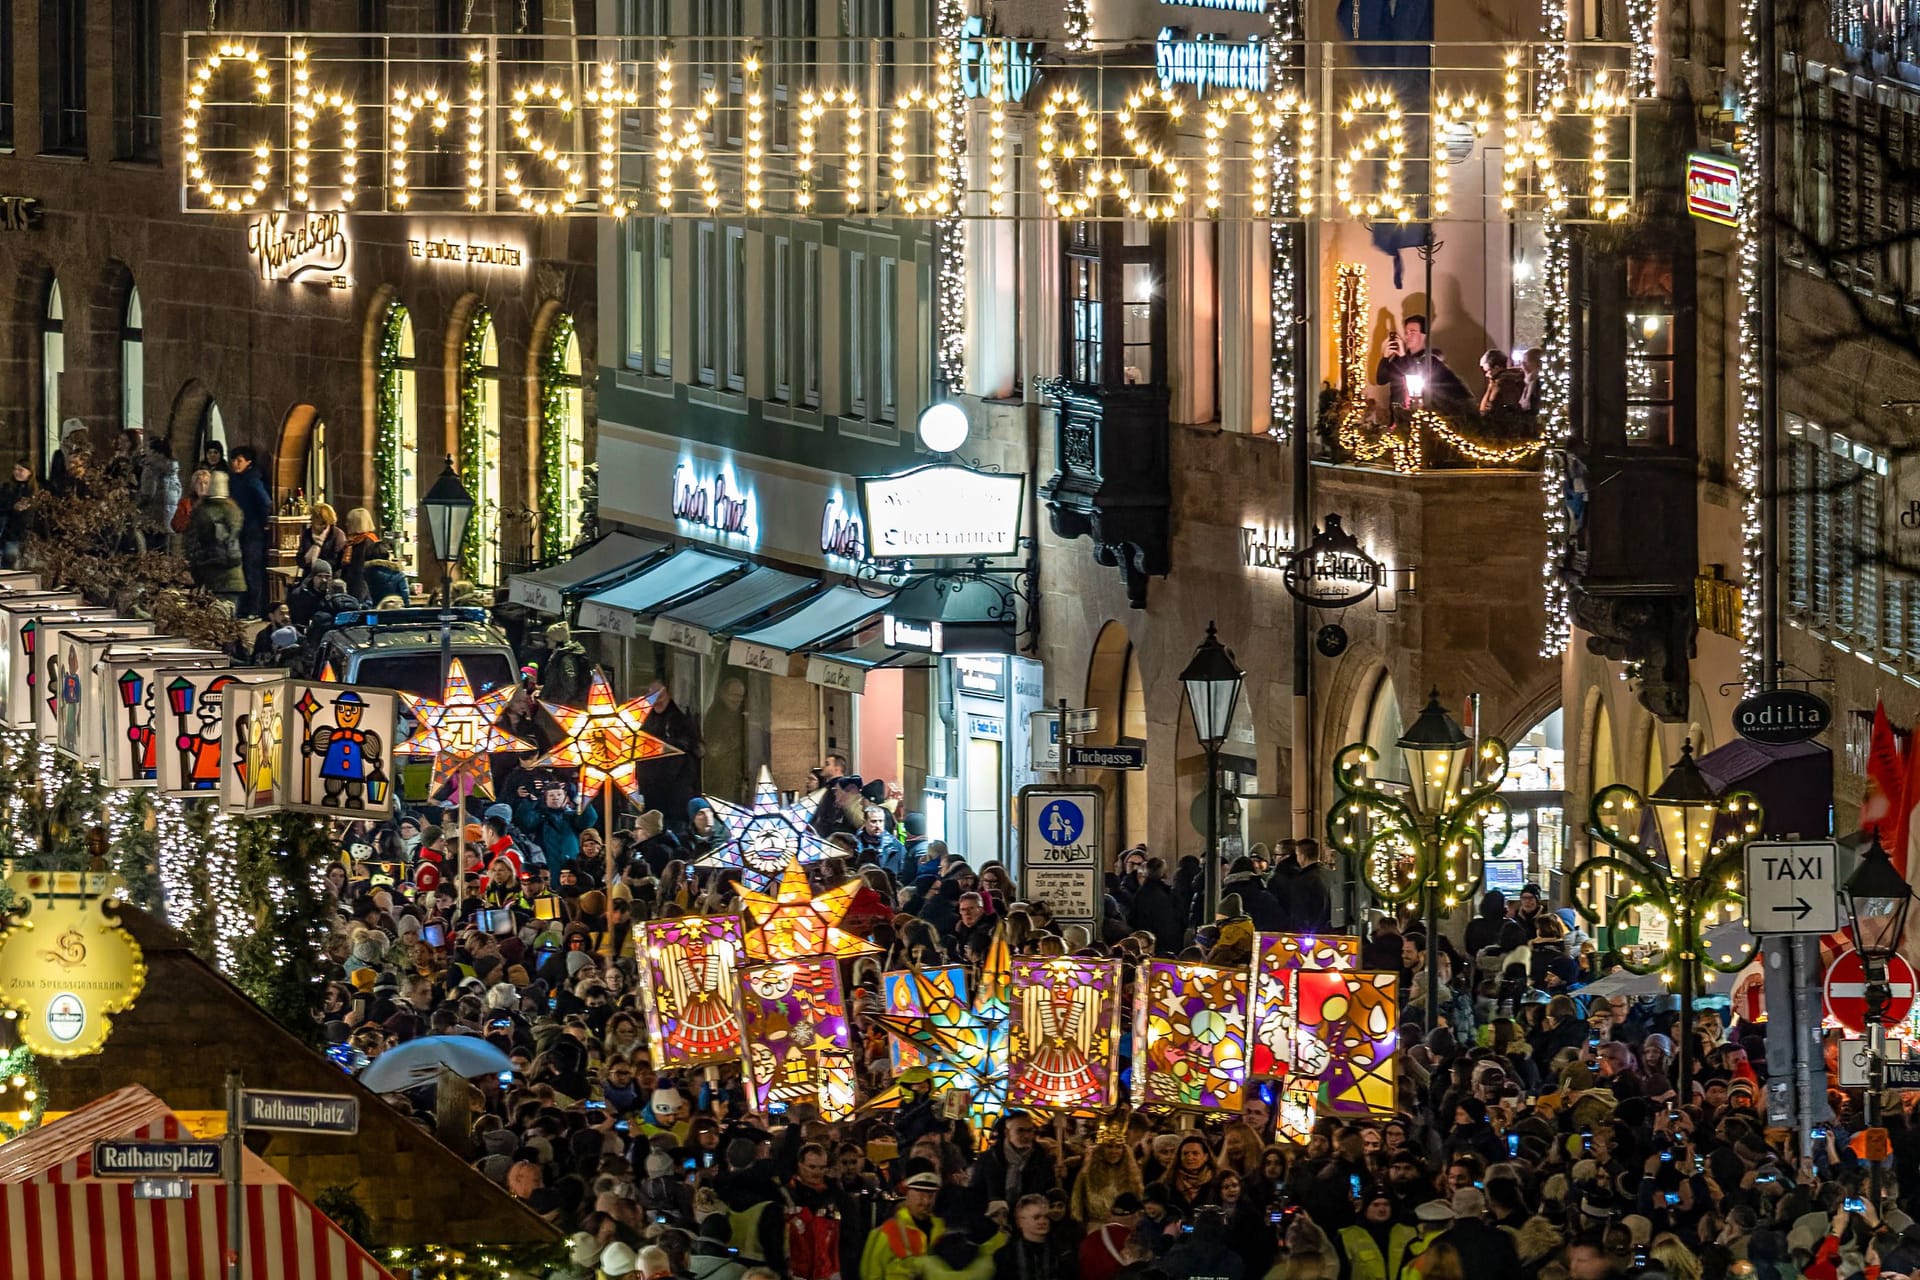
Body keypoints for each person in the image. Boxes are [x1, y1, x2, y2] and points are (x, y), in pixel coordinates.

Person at [862, 1166, 945, 1280]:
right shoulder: (886, 1232)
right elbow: (871, 1275)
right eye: (921, 1195)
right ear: (908, 1194)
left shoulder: (942, 1231)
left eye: (930, 1196)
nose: (926, 1201)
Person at [1374, 316, 1470, 411]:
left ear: (1424, 335)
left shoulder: (1430, 360)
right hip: (1398, 413)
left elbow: (1413, 372)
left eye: (1413, 332)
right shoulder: (1399, 359)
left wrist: (1403, 355)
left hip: (1421, 414)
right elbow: (1381, 380)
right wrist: (1385, 358)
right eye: (1406, 332)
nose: (1408, 336)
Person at [184, 470, 247, 609]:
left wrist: (194, 571)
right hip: (235, 574)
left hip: (211, 573)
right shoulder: (234, 510)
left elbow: (192, 543)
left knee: (214, 619)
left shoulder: (202, 510)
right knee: (230, 616)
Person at [227, 445, 274, 618]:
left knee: (252, 569)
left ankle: (254, 608)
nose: (235, 464)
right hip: (239, 530)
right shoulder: (234, 479)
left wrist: (263, 523)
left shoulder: (252, 480)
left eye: (239, 460)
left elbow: (265, 502)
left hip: (252, 532)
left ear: (249, 462)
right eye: (233, 460)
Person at [995, 1193, 1067, 1280]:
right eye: (1036, 1217)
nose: (1043, 1221)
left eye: (1046, 1217)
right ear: (1020, 1221)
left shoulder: (1062, 1252)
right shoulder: (1004, 1256)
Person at [702, 675, 749, 804]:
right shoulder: (716, 716)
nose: (737, 700)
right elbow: (714, 749)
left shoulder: (738, 716)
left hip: (733, 776)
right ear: (723, 694)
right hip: (718, 776)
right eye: (733, 695)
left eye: (740, 696)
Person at [137, 437, 181, 539]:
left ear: (153, 451)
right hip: (168, 518)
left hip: (152, 517)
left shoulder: (151, 467)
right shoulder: (173, 469)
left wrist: (135, 505)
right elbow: (178, 491)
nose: (144, 451)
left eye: (146, 448)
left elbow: (148, 492)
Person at [297, 502, 349, 574]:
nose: (311, 522)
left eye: (314, 519)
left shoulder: (337, 534)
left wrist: (317, 565)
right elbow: (300, 558)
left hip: (330, 576)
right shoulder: (307, 533)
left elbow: (337, 561)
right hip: (308, 576)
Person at [0, 460, 34, 567]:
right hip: (12, 534)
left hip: (30, 534)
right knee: (10, 564)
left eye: (20, 470)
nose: (16, 472)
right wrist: (13, 507)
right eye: (15, 469)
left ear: (30, 472)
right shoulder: (7, 488)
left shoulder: (36, 489)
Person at [287, 560, 340, 628]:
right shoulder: (299, 596)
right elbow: (296, 623)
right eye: (320, 576)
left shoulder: (333, 595)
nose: (324, 580)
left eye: (327, 577)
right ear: (313, 577)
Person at [1477, 351, 1527, 415]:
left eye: (1487, 371)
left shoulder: (1506, 384)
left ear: (1497, 368)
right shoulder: (1497, 382)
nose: (1486, 375)